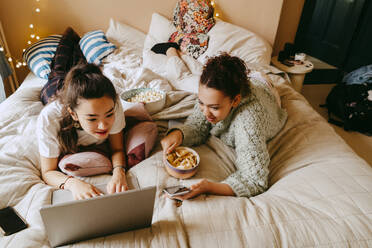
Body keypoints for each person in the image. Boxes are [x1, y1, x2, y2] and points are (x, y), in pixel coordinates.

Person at [161, 53, 287, 199]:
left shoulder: (248, 122)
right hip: (247, 81)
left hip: (265, 88)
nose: (206, 113)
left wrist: (208, 186)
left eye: (214, 107)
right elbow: (197, 125)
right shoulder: (210, 97)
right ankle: (173, 51)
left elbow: (255, 181)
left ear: (235, 101)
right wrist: (178, 134)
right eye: (201, 103)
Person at [37, 63, 128, 200]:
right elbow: (48, 171)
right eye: (92, 119)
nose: (103, 126)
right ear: (73, 114)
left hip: (77, 83)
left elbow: (117, 148)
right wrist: (73, 184)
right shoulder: (49, 118)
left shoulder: (112, 103)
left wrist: (119, 172)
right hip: (54, 89)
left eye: (109, 115)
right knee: (58, 69)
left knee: (76, 63)